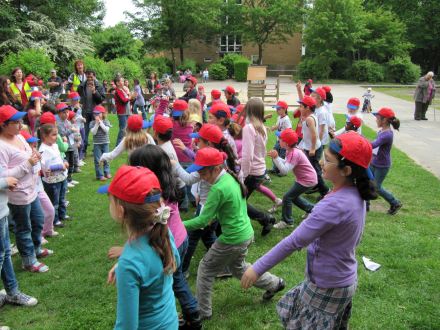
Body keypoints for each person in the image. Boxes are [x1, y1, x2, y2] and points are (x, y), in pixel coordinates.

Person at [241, 131, 378, 330]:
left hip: (327, 285)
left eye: (328, 160)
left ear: (346, 170)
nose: (321, 162)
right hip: (343, 280)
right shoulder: (356, 192)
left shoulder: (334, 205)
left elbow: (293, 241)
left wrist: (257, 268)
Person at [184, 147, 285, 321]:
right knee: (239, 269)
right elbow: (226, 208)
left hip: (233, 239)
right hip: (245, 234)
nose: (200, 176)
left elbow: (201, 221)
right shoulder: (230, 177)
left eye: (203, 172)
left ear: (216, 169)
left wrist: (178, 224)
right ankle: (276, 284)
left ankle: (203, 311)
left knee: (205, 269)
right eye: (198, 172)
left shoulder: (218, 188)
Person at [128, 145, 202, 329]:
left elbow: (154, 222)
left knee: (175, 281)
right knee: (177, 278)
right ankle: (188, 313)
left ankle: (193, 314)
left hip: (171, 243)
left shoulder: (153, 194)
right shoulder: (169, 182)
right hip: (181, 237)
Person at [100, 165, 180, 330]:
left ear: (120, 211)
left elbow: (126, 326)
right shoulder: (163, 230)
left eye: (111, 199)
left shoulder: (130, 262)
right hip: (169, 322)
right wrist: (126, 265)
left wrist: (128, 265)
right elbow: (174, 262)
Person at [0, 105, 49, 273]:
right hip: (18, 194)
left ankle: (35, 249)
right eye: (15, 122)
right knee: (24, 227)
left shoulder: (19, 136)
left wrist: (34, 155)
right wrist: (28, 163)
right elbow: (4, 175)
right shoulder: (1, 146)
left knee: (38, 219)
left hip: (32, 188)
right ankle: (28, 260)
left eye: (20, 120)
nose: (20, 124)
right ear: (3, 125)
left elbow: (29, 154)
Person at [0, 162, 38, 318]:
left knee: (6, 253)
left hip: (2, 212)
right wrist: (4, 182)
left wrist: (6, 182)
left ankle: (12, 292)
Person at [240, 98, 276, 236]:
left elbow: (248, 155)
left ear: (249, 110)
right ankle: (265, 220)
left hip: (252, 173)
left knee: (239, 202)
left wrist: (243, 176)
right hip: (260, 170)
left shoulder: (249, 128)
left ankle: (266, 219)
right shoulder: (261, 126)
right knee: (240, 201)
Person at [268, 129, 316, 229]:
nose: (278, 140)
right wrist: (275, 157)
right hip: (306, 179)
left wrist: (276, 158)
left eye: (280, 139)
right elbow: (286, 163)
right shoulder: (291, 151)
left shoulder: (294, 153)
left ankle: (287, 221)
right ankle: (312, 210)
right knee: (293, 197)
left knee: (287, 197)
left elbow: (285, 170)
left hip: (307, 180)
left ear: (286, 143)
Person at [370, 107, 402, 215]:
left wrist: (360, 140)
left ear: (384, 120)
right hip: (374, 161)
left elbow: (373, 144)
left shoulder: (387, 134)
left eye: (377, 118)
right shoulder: (382, 131)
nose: (376, 120)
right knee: (369, 182)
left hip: (382, 165)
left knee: (377, 187)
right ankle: (366, 204)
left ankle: (395, 202)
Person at [38, 123, 69, 230]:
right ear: (45, 136)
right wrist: (61, 166)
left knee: (62, 197)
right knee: (54, 201)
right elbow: (46, 168)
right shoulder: (43, 149)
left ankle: (62, 214)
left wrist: (64, 161)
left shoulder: (55, 146)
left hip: (61, 177)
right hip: (52, 181)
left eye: (57, 134)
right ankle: (55, 220)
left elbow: (59, 157)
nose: (57, 137)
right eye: (54, 135)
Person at [299, 94, 329, 199]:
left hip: (314, 149)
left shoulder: (309, 119)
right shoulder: (310, 116)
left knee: (315, 171)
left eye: (301, 106)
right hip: (312, 147)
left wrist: (312, 148)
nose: (300, 108)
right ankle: (317, 186)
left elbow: (313, 135)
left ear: (307, 108)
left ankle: (326, 191)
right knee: (313, 169)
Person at [77, 69, 106, 156]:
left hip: (95, 112)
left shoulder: (99, 86)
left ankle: (96, 150)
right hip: (85, 112)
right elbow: (79, 93)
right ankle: (83, 151)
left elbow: (101, 99)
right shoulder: (82, 86)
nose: (89, 78)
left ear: (94, 76)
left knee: (97, 131)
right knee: (84, 132)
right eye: (88, 76)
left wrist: (94, 92)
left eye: (91, 76)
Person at [269, 100, 292, 176]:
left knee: (282, 155)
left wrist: (280, 134)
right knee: (274, 153)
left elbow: (289, 131)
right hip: (278, 140)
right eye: (276, 109)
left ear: (284, 109)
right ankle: (274, 168)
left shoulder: (286, 119)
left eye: (279, 109)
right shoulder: (279, 117)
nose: (277, 111)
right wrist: (274, 128)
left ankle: (282, 171)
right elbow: (278, 126)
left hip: (284, 142)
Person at [90, 105, 111, 181]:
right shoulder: (92, 123)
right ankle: (99, 175)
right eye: (95, 114)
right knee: (97, 159)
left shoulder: (106, 121)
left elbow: (106, 130)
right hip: (97, 144)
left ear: (103, 114)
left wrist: (101, 123)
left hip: (105, 142)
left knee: (106, 158)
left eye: (98, 113)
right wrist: (96, 124)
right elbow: (93, 132)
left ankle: (107, 172)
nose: (97, 115)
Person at [113, 76, 132, 146]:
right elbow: (124, 100)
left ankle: (127, 144)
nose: (123, 82)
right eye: (122, 81)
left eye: (123, 81)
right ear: (117, 83)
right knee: (122, 129)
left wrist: (132, 97)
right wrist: (130, 97)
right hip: (122, 113)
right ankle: (117, 145)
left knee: (128, 129)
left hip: (127, 111)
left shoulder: (122, 90)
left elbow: (127, 98)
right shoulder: (117, 91)